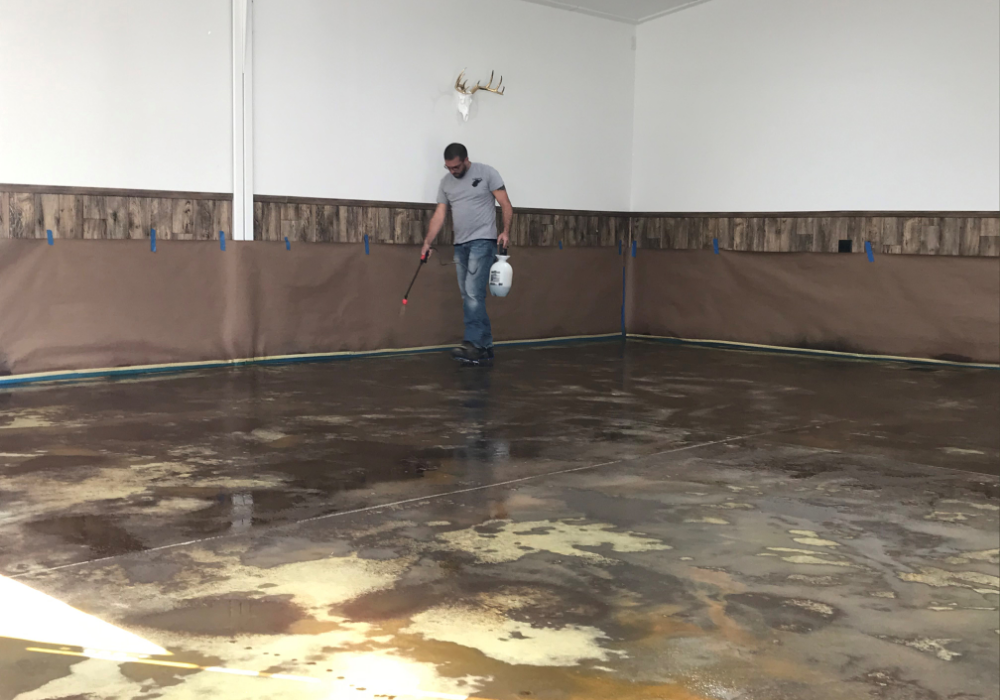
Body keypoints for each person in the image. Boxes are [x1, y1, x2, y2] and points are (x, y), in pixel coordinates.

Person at [421, 143, 513, 363]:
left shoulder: (487, 173)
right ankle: (486, 345)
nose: (452, 171)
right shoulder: (446, 183)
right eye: (448, 167)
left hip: (483, 241)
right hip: (460, 244)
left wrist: (506, 231)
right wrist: (427, 242)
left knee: (473, 294)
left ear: (465, 160)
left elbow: (506, 204)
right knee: (468, 296)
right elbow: (439, 215)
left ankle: (473, 343)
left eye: (455, 167)